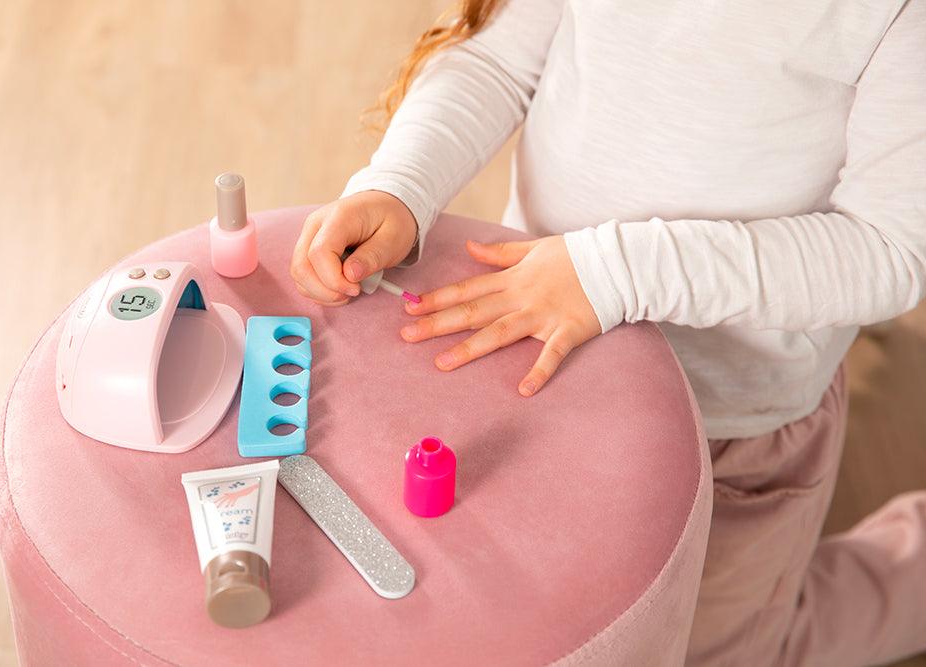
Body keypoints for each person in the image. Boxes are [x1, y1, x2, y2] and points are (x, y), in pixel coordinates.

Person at [290, 1, 926, 664]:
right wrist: (400, 182)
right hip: (545, 364)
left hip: (734, 420)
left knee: (725, 649)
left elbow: (890, 248)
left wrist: (613, 271)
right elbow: (497, 59)